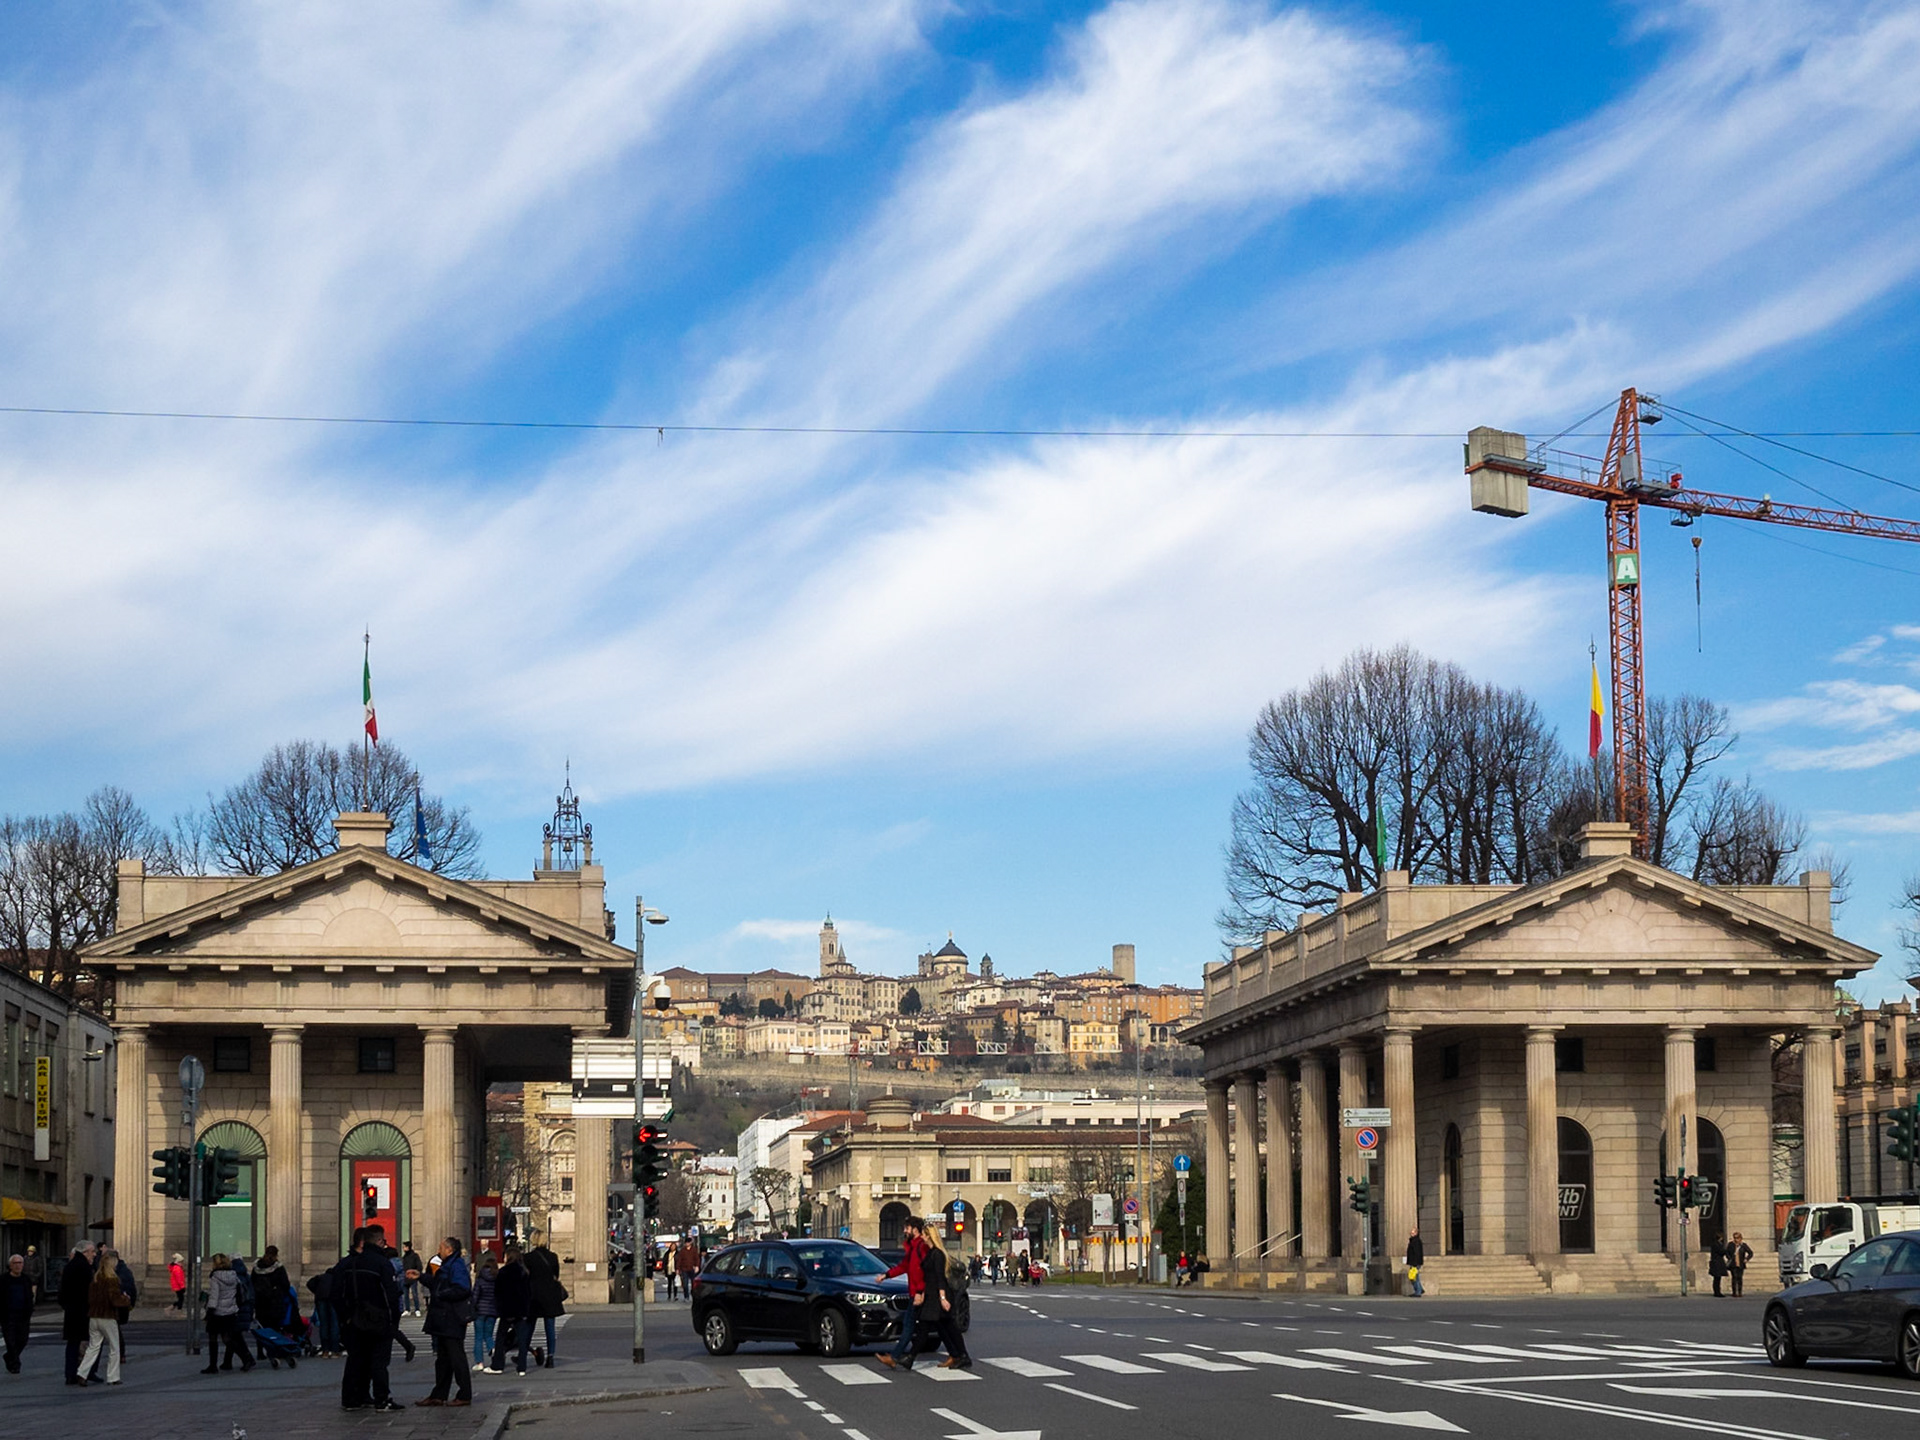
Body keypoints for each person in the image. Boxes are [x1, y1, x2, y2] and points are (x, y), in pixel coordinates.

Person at [332, 1225, 403, 1411]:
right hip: (378, 1318)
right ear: (379, 1241)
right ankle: (382, 1399)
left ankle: (352, 1398)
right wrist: (393, 1320)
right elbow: (391, 1295)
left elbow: (336, 1292)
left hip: (353, 1319)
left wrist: (344, 1317)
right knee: (379, 1361)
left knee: (356, 1359)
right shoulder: (381, 1263)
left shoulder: (350, 1263)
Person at [416, 1237, 472, 1408]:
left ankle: (464, 1394)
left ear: (449, 1249)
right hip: (443, 1317)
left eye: (441, 1247)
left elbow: (462, 1288)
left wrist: (442, 1294)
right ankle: (439, 1394)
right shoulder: (448, 1264)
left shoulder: (456, 1265)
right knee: (443, 1359)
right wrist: (421, 1277)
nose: (438, 1250)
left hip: (451, 1317)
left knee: (456, 1357)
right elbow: (437, 1283)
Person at [878, 1218, 931, 1371]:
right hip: (914, 1293)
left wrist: (920, 1292)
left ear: (915, 1229)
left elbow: (924, 1272)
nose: (904, 1231)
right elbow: (904, 1267)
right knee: (930, 1326)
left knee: (912, 1326)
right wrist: (886, 1275)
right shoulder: (913, 1247)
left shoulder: (921, 1247)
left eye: (907, 1228)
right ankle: (958, 1354)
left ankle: (895, 1357)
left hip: (920, 1294)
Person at [917, 1225, 971, 1370]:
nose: (921, 1236)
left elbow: (940, 1277)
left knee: (950, 1326)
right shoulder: (931, 1253)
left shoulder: (938, 1254)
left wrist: (943, 1298)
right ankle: (957, 1355)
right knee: (943, 1326)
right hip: (933, 1294)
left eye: (923, 1234)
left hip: (940, 1295)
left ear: (929, 1236)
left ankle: (963, 1356)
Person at [76, 1249, 131, 1386]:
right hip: (108, 1316)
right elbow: (114, 1299)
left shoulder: (96, 1277)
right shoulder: (112, 1279)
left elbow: (90, 1298)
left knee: (93, 1347)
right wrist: (126, 1299)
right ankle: (113, 1377)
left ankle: (82, 1373)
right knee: (114, 1347)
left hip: (94, 1316)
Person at [202, 1252, 251, 1374]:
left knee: (213, 1338)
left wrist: (209, 1312)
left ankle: (213, 1366)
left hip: (217, 1312)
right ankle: (246, 1358)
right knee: (227, 1339)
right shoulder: (233, 1275)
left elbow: (214, 1297)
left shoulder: (215, 1277)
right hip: (230, 1311)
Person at [486, 1247, 533, 1375]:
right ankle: (522, 1367)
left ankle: (498, 1365)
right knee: (522, 1340)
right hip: (520, 1310)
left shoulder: (503, 1272)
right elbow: (528, 1293)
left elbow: (498, 1293)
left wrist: (499, 1309)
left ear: (509, 1257)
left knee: (500, 1338)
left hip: (507, 1310)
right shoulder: (524, 1272)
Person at [60, 1241, 96, 1385]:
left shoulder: (70, 1265)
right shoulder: (84, 1267)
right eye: (92, 1251)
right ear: (85, 1252)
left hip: (71, 1311)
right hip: (82, 1310)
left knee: (72, 1344)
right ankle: (86, 1372)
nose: (94, 1254)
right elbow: (89, 1291)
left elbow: (62, 1291)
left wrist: (66, 1305)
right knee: (90, 1343)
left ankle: (70, 1374)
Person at [526, 1235, 565, 1368]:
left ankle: (523, 1354)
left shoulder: (529, 1257)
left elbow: (526, 1275)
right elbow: (556, 1275)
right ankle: (550, 1357)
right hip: (550, 1296)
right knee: (550, 1328)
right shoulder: (553, 1257)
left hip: (534, 1295)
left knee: (529, 1327)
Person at [383, 1245, 417, 1362]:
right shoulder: (400, 1263)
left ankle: (407, 1346)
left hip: (393, 1302)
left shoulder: (391, 1265)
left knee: (391, 1329)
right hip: (398, 1301)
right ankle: (407, 1346)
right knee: (392, 1329)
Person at [3, 1254, 36, 1374]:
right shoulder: (4, 1280)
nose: (18, 1266)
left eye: (20, 1263)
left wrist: (30, 1308)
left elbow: (29, 1295)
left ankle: (9, 1356)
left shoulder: (25, 1279)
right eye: (15, 1263)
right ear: (10, 1265)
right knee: (10, 1341)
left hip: (23, 1315)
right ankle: (15, 1364)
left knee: (22, 1340)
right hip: (8, 1315)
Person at [470, 1251, 499, 1369]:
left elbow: (475, 1296)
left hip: (480, 1311)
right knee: (489, 1335)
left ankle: (479, 1362)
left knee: (478, 1337)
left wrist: (471, 1309)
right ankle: (492, 1349)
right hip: (492, 1311)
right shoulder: (497, 1280)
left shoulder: (480, 1280)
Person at [307, 1265, 342, 1357]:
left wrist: (317, 1291)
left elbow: (309, 1283)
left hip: (321, 1299)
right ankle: (335, 1350)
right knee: (334, 1324)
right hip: (333, 1299)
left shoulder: (320, 1277)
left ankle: (325, 1351)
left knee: (324, 1324)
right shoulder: (336, 1278)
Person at [400, 1242, 425, 1317]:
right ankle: (407, 1309)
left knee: (414, 1293)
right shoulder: (404, 1257)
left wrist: (416, 1273)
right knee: (405, 1294)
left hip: (413, 1277)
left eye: (404, 1247)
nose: (403, 1249)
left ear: (408, 1247)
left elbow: (419, 1266)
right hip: (406, 1277)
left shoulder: (414, 1256)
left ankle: (417, 1309)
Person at [1728, 1232, 1755, 1297]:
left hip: (1741, 1264)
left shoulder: (1743, 1245)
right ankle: (1734, 1292)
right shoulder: (1731, 1244)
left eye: (1737, 1238)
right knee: (1734, 1277)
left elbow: (1750, 1253)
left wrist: (1746, 1259)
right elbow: (1727, 1252)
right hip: (1733, 1264)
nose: (1736, 1239)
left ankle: (1740, 1292)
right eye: (1735, 1238)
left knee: (1739, 1278)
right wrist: (1729, 1258)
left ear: (1740, 1238)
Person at [1405, 1230, 1425, 1298]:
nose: (1411, 1233)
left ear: (1416, 1233)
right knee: (1416, 1277)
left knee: (1414, 1277)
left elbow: (1417, 1253)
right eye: (1411, 1232)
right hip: (1414, 1262)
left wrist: (1415, 1263)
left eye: (1413, 1232)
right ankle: (1420, 1289)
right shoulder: (1414, 1241)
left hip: (1415, 1262)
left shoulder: (1415, 1241)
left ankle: (1418, 1291)